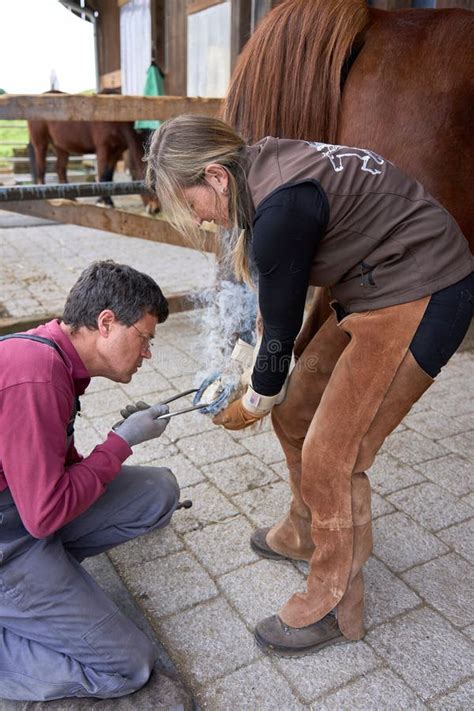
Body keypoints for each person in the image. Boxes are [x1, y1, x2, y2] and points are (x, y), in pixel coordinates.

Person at [145, 114, 473, 657]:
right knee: (295, 413)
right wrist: (263, 386)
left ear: (216, 177)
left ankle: (335, 602)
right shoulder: (260, 168)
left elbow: (279, 337)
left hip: (423, 288)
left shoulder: (279, 209)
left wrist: (248, 404)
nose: (201, 221)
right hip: (371, 283)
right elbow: (274, 312)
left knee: (334, 453)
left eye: (192, 203)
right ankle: (306, 529)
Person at [0, 260, 180, 700]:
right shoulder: (36, 375)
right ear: (106, 322)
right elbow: (44, 516)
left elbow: (56, 466)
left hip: (23, 508)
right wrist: (119, 444)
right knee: (130, 665)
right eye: (144, 338)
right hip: (9, 540)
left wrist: (113, 448)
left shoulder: (56, 357)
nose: (148, 353)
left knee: (159, 491)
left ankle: (50, 583)